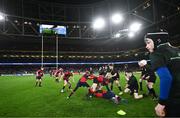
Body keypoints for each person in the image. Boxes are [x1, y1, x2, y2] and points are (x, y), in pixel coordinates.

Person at [144, 30, 180, 117]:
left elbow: (166, 78)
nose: (146, 46)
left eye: (148, 42)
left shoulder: (156, 54)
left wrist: (161, 103)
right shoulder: (177, 50)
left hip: (173, 98)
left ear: (158, 40)